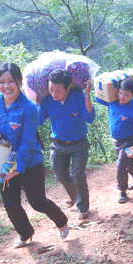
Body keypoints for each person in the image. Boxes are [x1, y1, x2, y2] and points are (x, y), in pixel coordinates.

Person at [0, 62, 69, 248]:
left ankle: (62, 222)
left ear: (19, 81)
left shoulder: (29, 108)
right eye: (1, 82)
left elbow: (27, 142)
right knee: (11, 204)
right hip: (1, 160)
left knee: (38, 202)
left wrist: (17, 168)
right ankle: (26, 233)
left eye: (11, 81)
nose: (6, 86)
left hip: (30, 162)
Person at [38, 68, 95, 220]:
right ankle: (74, 195)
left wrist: (87, 94)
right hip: (57, 145)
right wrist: (33, 101)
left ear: (68, 87)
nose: (54, 94)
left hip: (79, 144)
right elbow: (37, 120)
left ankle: (83, 208)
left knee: (78, 175)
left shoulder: (77, 97)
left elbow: (89, 118)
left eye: (58, 91)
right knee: (59, 175)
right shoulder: (47, 101)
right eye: (51, 90)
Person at [95, 78, 133, 203]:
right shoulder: (112, 102)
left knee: (120, 165)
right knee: (128, 163)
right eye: (120, 93)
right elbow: (97, 98)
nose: (122, 97)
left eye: (126, 95)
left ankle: (122, 191)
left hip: (129, 142)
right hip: (116, 142)